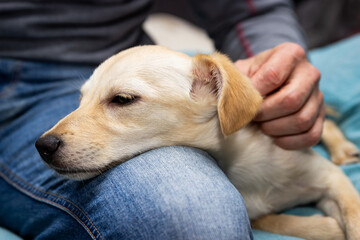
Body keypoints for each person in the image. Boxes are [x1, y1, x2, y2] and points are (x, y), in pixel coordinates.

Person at [0, 0, 323, 239]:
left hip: (123, 61)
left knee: (199, 214)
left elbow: (250, 12)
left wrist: (277, 72)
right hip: (21, 91)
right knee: (191, 215)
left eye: (123, 101)